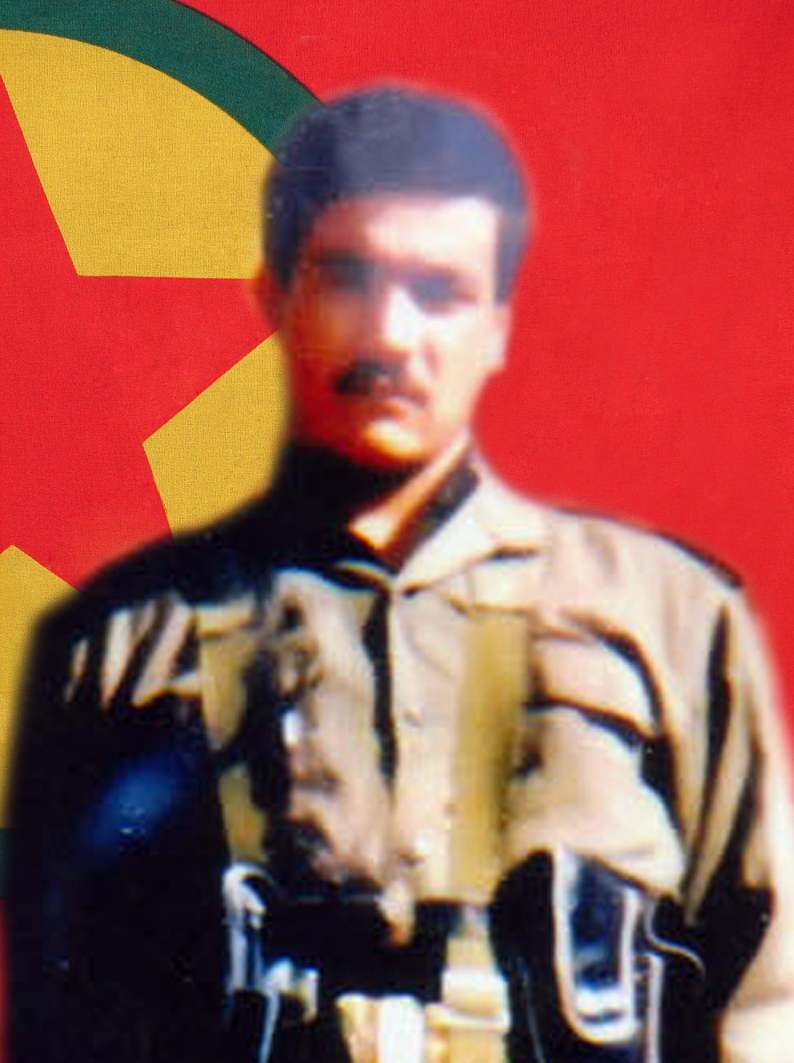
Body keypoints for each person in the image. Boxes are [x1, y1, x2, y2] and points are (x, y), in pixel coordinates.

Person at [8, 86, 794, 1063]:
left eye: (438, 290)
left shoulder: (668, 619)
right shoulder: (123, 645)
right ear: (273, 297)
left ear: (498, 324)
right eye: (348, 278)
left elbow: (767, 999)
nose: (388, 335)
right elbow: (59, 1018)